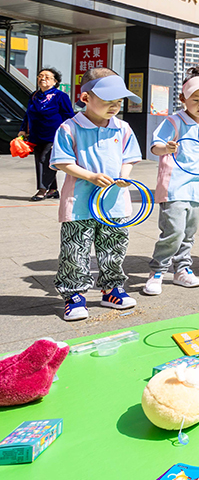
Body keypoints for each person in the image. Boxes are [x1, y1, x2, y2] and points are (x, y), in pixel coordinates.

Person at [49, 68, 142, 321]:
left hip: (114, 204)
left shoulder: (122, 128)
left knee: (114, 247)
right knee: (75, 250)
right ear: (85, 98)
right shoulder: (69, 127)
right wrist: (90, 176)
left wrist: (125, 175)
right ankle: (74, 295)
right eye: (107, 100)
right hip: (79, 203)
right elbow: (62, 162)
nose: (114, 106)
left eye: (118, 101)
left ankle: (111, 288)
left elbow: (130, 157)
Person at [144, 68, 199, 295]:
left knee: (189, 233)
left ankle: (182, 270)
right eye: (195, 99)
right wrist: (166, 147)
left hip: (197, 188)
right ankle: (157, 271)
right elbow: (155, 146)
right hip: (173, 187)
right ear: (183, 99)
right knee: (174, 230)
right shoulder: (174, 121)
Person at [17, 68, 74, 201]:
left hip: (54, 135)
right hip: (36, 135)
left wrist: (68, 134)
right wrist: (23, 129)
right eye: (40, 76)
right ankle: (53, 190)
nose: (43, 78)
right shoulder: (34, 96)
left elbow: (68, 116)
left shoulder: (60, 96)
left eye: (47, 77)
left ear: (55, 81)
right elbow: (27, 114)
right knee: (41, 161)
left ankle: (42, 190)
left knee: (44, 159)